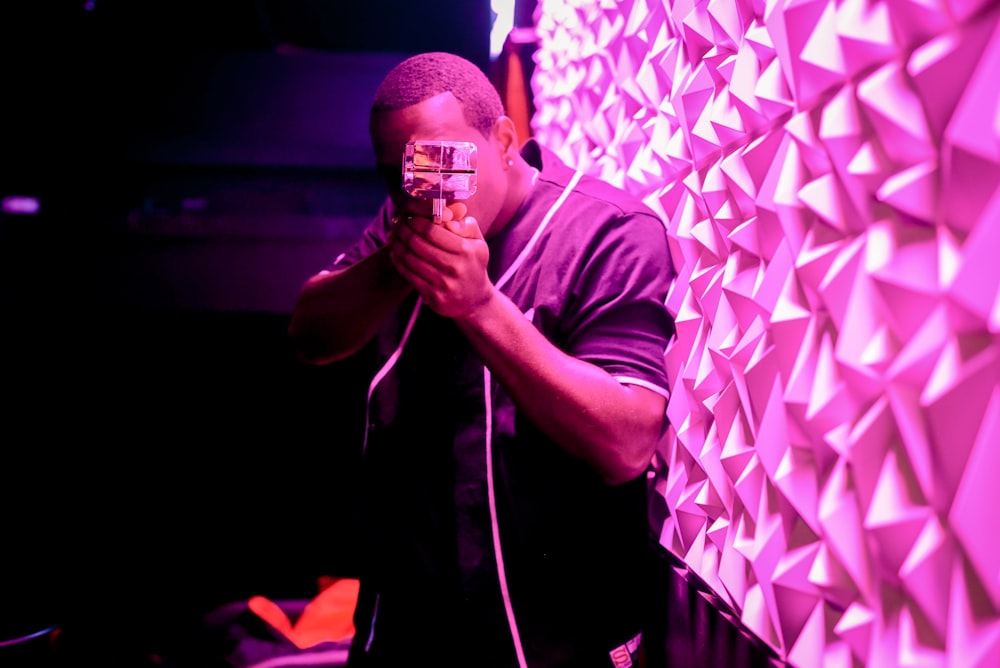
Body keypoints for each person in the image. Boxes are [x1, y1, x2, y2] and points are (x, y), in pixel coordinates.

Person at [288, 51, 676, 668]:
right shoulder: (407, 217)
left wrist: (479, 307)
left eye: (446, 164)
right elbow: (311, 335)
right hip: (407, 628)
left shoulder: (607, 230)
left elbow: (627, 442)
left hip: (557, 638)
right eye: (402, 174)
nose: (426, 190)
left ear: (503, 141)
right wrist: (399, 258)